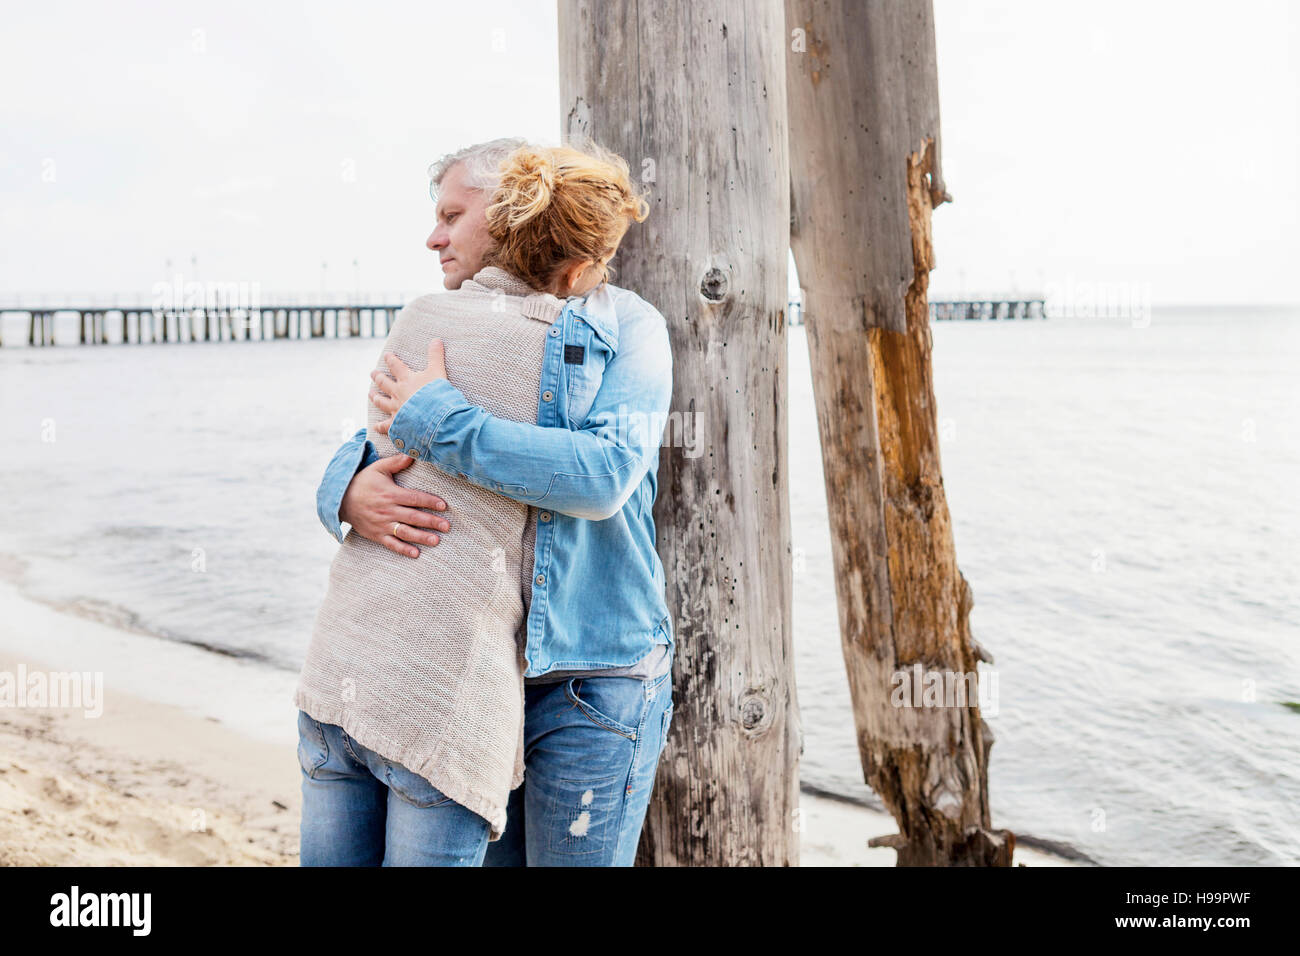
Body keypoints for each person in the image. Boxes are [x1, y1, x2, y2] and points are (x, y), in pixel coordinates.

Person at [313, 137, 677, 866]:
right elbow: (383, 436)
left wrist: (444, 422)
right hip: (475, 676)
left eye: (454, 213)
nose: (434, 236)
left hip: (591, 675)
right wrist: (345, 492)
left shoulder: (627, 324)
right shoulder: (456, 319)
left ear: (511, 211)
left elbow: (605, 474)